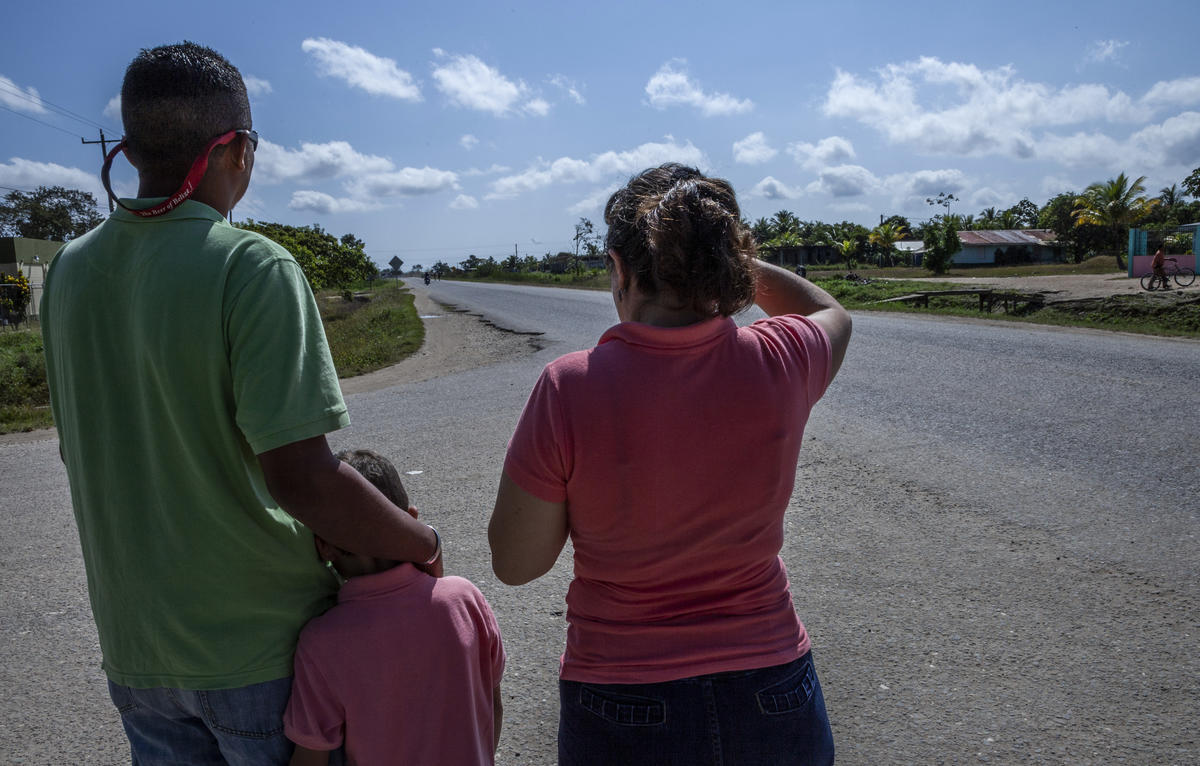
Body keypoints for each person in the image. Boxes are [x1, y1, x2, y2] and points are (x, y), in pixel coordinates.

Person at [40, 42, 440, 765]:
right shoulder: (252, 266)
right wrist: (422, 543)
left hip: (139, 654)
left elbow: (87, 451)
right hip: (260, 653)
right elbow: (304, 477)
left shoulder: (69, 270)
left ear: (128, 152)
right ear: (238, 152)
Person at [488, 163, 852, 765]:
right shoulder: (782, 357)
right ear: (724, 262)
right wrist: (718, 253)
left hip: (622, 697)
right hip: (775, 684)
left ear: (620, 268)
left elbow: (518, 564)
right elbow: (830, 311)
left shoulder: (569, 388)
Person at [285, 449, 506, 766]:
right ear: (411, 520)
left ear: (323, 547)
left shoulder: (321, 641)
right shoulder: (464, 599)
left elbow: (311, 756)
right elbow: (492, 705)